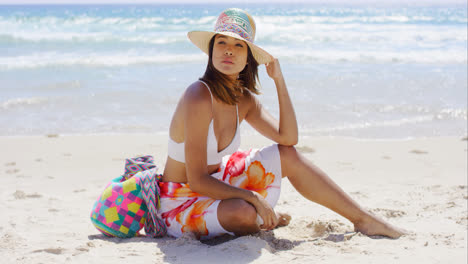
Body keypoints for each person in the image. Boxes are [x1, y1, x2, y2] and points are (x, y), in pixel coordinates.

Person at [157, 8, 405, 240]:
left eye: (238, 45)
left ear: (248, 59)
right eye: (221, 42)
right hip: (181, 199)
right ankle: (267, 217)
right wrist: (253, 197)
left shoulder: (243, 99)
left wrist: (279, 81)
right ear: (211, 52)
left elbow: (288, 139)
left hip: (220, 181)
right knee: (243, 213)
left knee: (287, 155)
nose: (228, 50)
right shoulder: (198, 96)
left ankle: (364, 219)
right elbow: (198, 180)